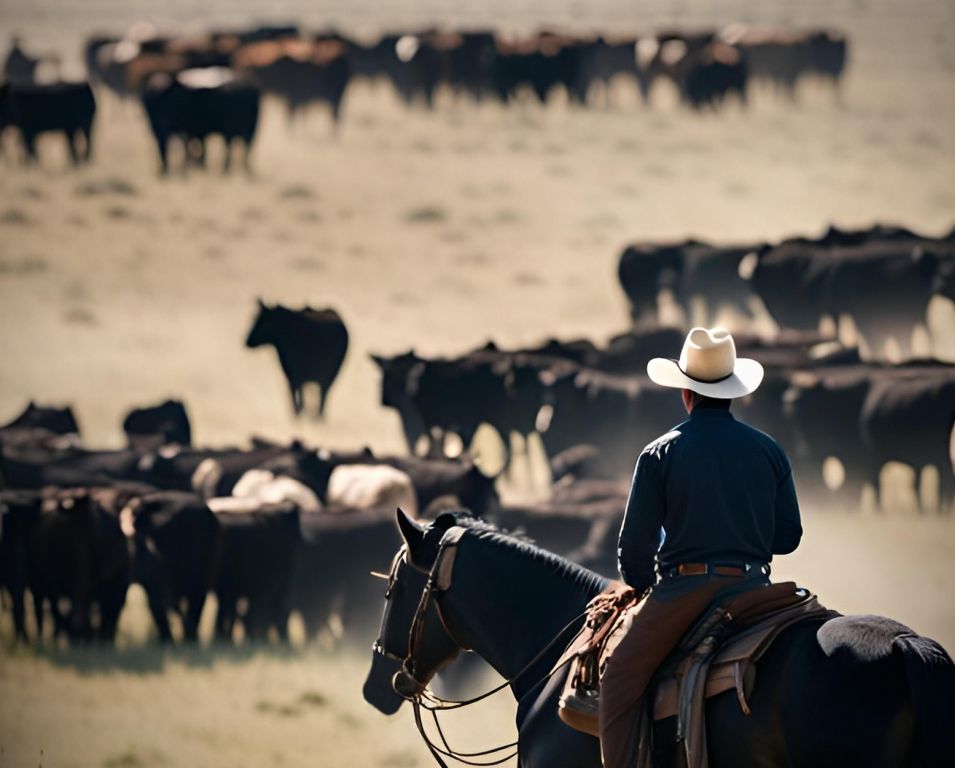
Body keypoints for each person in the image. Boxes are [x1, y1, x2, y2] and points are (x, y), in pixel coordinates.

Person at [598, 326, 803, 768]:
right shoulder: (769, 450)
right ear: (733, 393)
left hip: (684, 591)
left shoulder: (659, 454)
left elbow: (634, 550)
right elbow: (788, 537)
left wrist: (642, 584)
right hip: (755, 587)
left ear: (685, 394)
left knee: (617, 677)